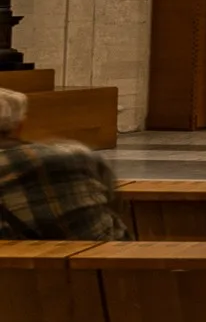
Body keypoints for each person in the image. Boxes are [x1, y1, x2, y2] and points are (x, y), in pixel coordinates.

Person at [0, 88, 130, 241]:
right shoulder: (77, 155)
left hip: (16, 259)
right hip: (99, 255)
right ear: (20, 125)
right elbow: (114, 202)